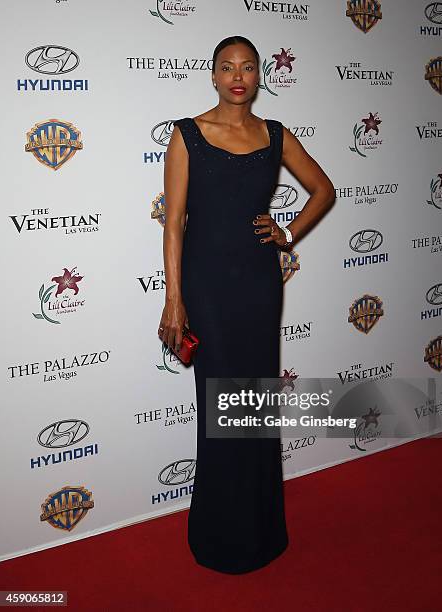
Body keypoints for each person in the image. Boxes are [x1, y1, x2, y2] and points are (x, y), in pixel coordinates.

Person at [158, 35, 335, 574]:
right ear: (212, 75)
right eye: (227, 67)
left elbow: (323, 190)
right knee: (219, 404)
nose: (238, 75)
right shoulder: (188, 135)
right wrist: (174, 298)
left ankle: (261, 530)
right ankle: (219, 535)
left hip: (258, 285)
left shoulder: (275, 135)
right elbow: (173, 223)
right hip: (207, 288)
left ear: (260, 77)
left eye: (249, 67)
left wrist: (288, 234)